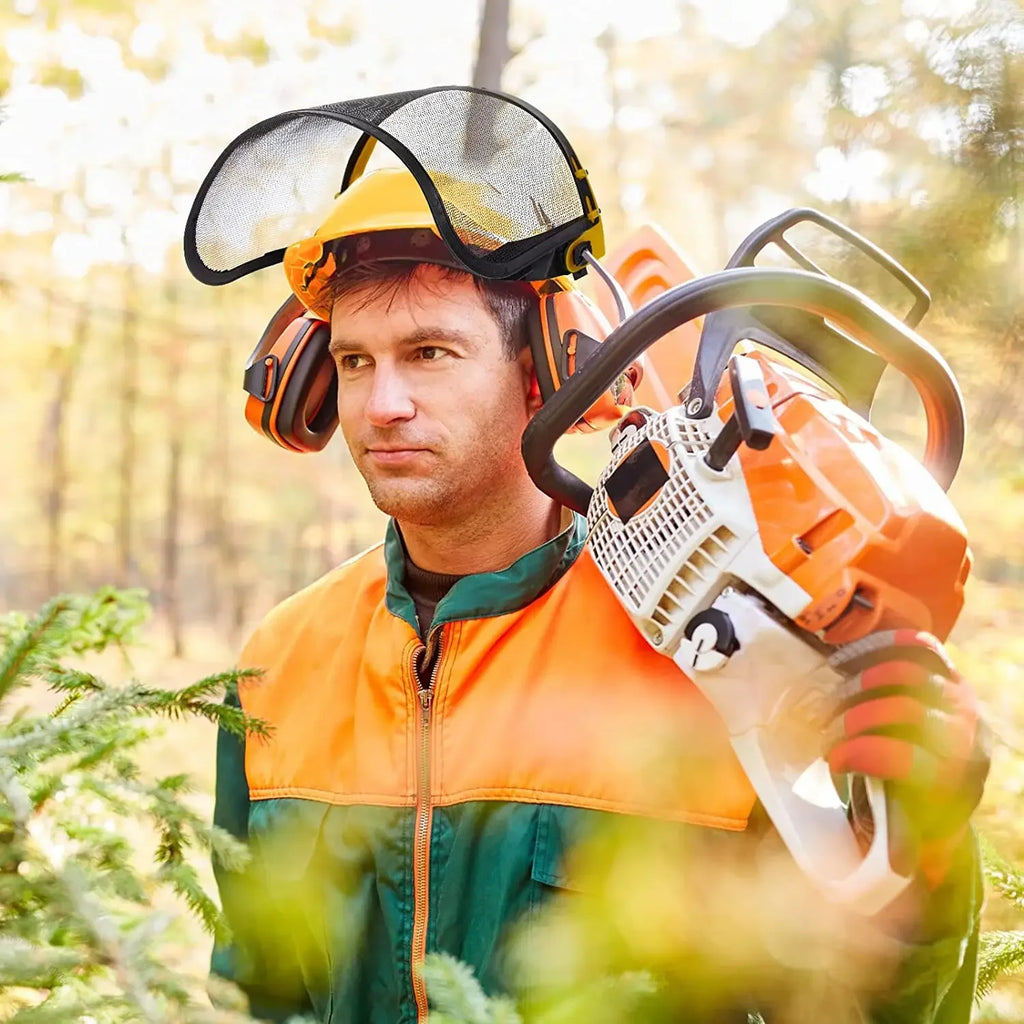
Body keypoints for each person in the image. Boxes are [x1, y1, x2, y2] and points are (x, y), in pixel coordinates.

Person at [210, 166, 988, 1024]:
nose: (383, 404)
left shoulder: (705, 643)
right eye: (355, 361)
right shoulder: (281, 660)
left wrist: (926, 861)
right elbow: (259, 996)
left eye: (430, 353)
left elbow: (847, 1000)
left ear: (543, 370)